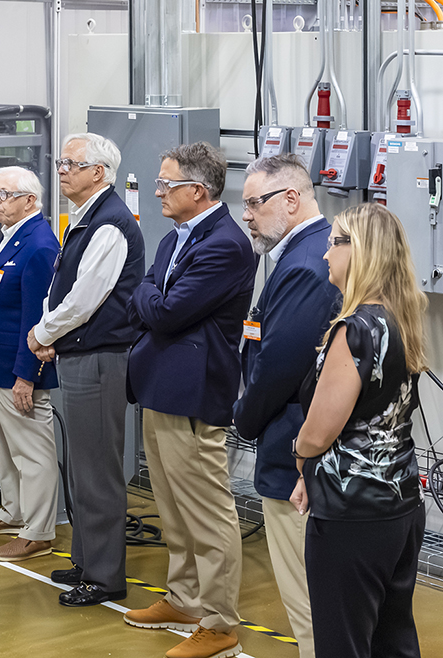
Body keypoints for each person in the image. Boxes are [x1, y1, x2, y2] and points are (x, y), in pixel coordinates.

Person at [124, 142, 254, 658]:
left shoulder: (225, 245)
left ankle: (220, 623)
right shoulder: (175, 238)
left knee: (207, 511)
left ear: (197, 191)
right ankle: (184, 598)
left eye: (166, 184)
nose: (158, 191)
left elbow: (165, 310)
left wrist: (150, 295)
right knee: (173, 506)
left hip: (194, 393)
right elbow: (149, 295)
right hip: (160, 385)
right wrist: (150, 295)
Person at [292, 203, 427, 658]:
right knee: (393, 641)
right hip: (401, 503)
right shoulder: (400, 320)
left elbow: (319, 432)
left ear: (360, 251)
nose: (325, 254)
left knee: (343, 643)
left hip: (352, 514)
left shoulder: (354, 331)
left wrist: (300, 457)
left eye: (334, 243)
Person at [26, 133, 144, 606]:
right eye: (60, 163)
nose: (61, 171)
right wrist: (51, 333)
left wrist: (44, 333)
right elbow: (62, 285)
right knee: (80, 468)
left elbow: (84, 299)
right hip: (79, 355)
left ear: (98, 172)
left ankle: (105, 575)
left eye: (71, 164)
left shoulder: (110, 224)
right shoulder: (86, 217)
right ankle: (86, 560)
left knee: (97, 471)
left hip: (99, 361)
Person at [232, 153, 337, 658]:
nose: (246, 215)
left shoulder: (306, 264)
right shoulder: (312, 251)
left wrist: (244, 418)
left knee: (309, 602)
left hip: (293, 454)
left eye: (255, 203)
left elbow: (280, 365)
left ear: (291, 199)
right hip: (298, 451)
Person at [0, 166, 59, 562]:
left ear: (30, 200)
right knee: (6, 448)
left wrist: (27, 375)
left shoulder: (39, 246)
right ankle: (14, 512)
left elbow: (37, 320)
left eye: (5, 194)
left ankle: (38, 532)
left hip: (17, 370)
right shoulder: (13, 236)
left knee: (33, 453)